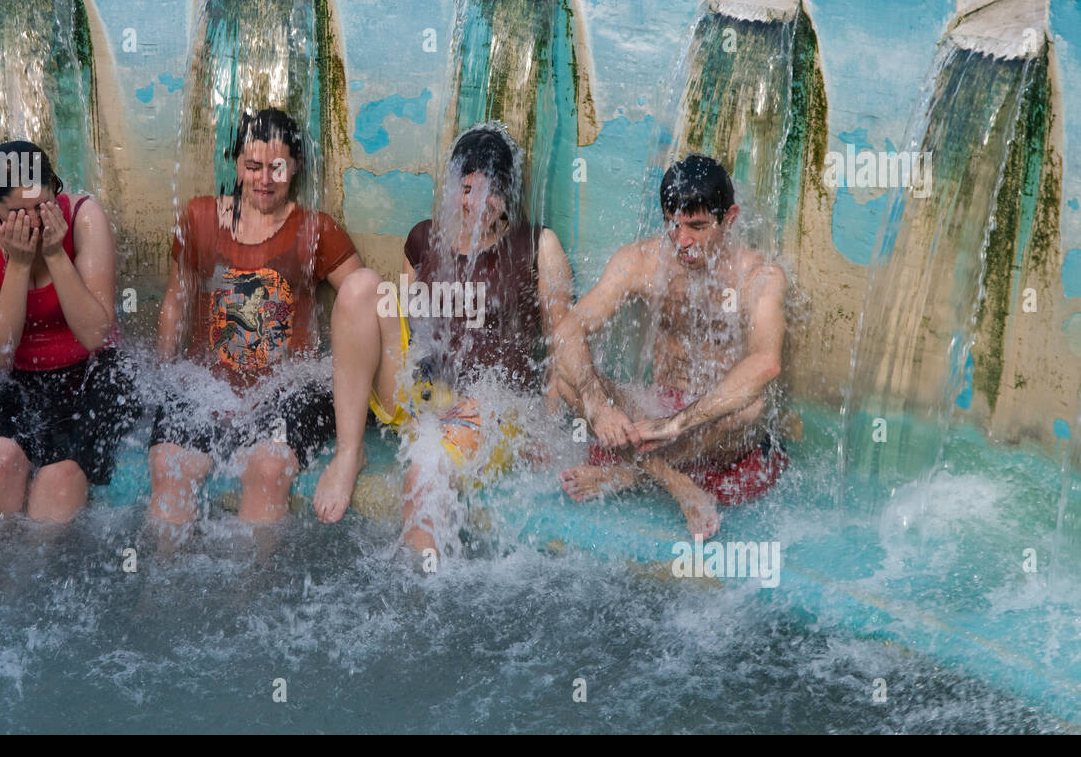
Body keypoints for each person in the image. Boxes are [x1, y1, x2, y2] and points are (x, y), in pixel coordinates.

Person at [313, 122, 574, 558]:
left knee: (425, 472)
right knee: (360, 286)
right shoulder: (422, 239)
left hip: (488, 409)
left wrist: (542, 433)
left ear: (509, 192)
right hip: (425, 395)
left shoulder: (537, 246)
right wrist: (423, 402)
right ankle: (348, 452)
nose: (477, 204)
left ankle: (421, 594)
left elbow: (562, 346)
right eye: (467, 189)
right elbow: (413, 331)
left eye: (492, 191)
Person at [552, 154, 790, 540]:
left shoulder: (759, 276)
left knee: (752, 408)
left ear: (729, 219)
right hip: (656, 404)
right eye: (673, 225)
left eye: (696, 227)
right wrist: (597, 405)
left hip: (712, 417)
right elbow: (568, 330)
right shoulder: (641, 261)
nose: (682, 241)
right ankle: (672, 479)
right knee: (566, 378)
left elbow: (766, 363)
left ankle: (629, 473)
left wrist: (676, 423)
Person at [148, 108, 362, 526]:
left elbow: (365, 300)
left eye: (277, 168)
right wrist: (164, 375)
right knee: (170, 468)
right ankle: (166, 585)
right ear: (236, 165)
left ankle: (254, 585)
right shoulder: (199, 217)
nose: (265, 180)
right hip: (209, 387)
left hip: (287, 390)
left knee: (267, 470)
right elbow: (176, 301)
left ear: (295, 165)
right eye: (253, 167)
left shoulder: (315, 230)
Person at [0, 140, 137, 523]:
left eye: (42, 207)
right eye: (17, 213)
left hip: (86, 372)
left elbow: (96, 335)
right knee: (1, 461)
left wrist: (54, 254)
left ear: (54, 191)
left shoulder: (82, 216)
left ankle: (47, 572)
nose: (34, 222)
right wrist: (19, 265)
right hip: (3, 376)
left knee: (61, 475)